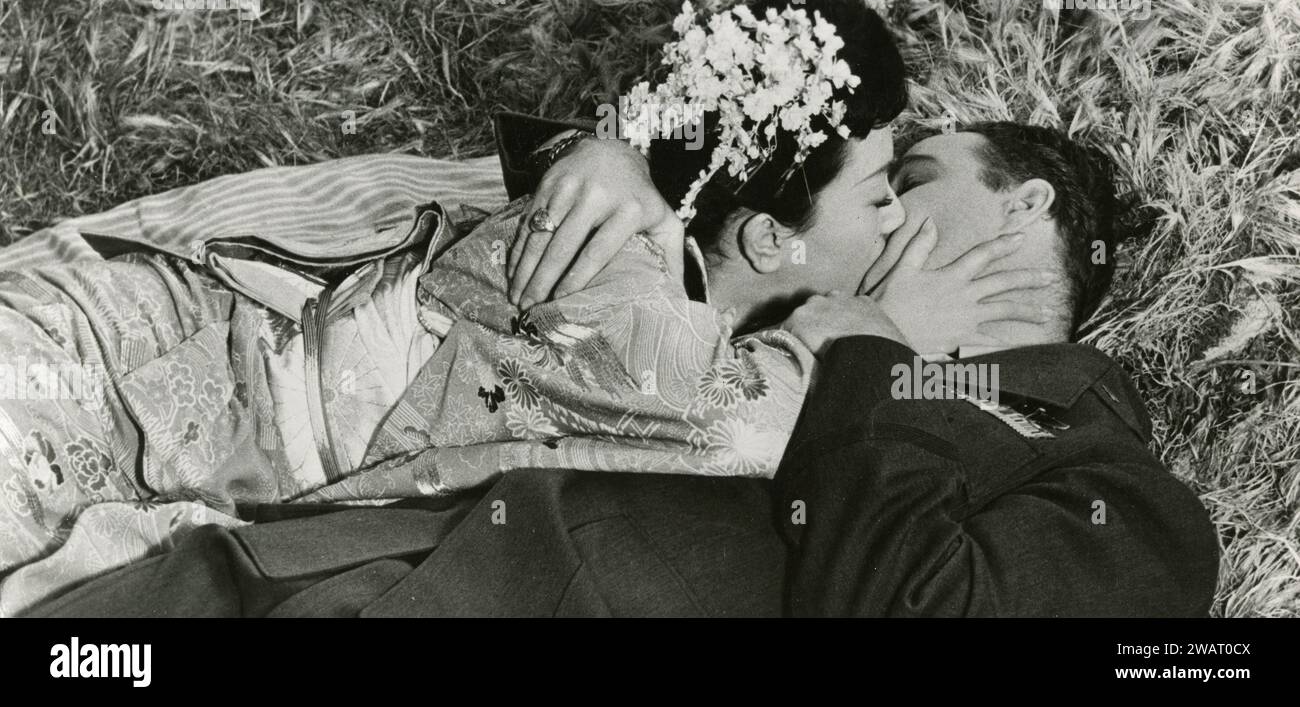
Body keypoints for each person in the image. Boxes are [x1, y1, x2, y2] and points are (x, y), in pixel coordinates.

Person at [28, 113, 1220, 617]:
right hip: (259, 567)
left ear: (1023, 208)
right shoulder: (801, 293)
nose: (881, 218)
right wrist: (631, 152)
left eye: (913, 182)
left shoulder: (1096, 468)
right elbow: (557, 252)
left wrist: (867, 348)